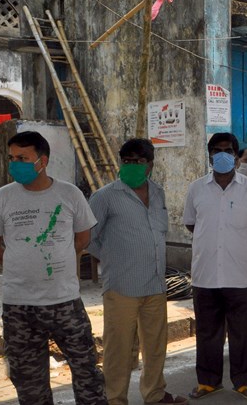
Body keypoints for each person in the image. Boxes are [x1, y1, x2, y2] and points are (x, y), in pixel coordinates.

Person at [0, 131, 107, 404]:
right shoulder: (2, 198)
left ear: (42, 161)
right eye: (12, 158)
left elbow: (82, 239)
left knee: (87, 371)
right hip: (19, 306)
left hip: (64, 301)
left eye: (23, 158)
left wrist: (56, 262)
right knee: (29, 381)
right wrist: (17, 264)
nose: (15, 164)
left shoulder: (69, 194)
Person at [88, 138, 188, 405]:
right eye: (127, 161)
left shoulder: (158, 192)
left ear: (150, 165)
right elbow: (87, 237)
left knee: (155, 346)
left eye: (139, 162)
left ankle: (154, 394)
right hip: (122, 286)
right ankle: (115, 399)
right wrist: (113, 259)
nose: (132, 166)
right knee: (118, 349)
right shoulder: (105, 196)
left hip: (155, 283)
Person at [183, 133, 247, 400]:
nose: (223, 154)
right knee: (207, 331)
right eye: (217, 150)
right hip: (205, 273)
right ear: (209, 155)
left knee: (241, 332)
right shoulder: (196, 188)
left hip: (240, 274)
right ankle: (208, 382)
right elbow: (190, 223)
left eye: (228, 150)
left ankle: (243, 381)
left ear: (236, 155)